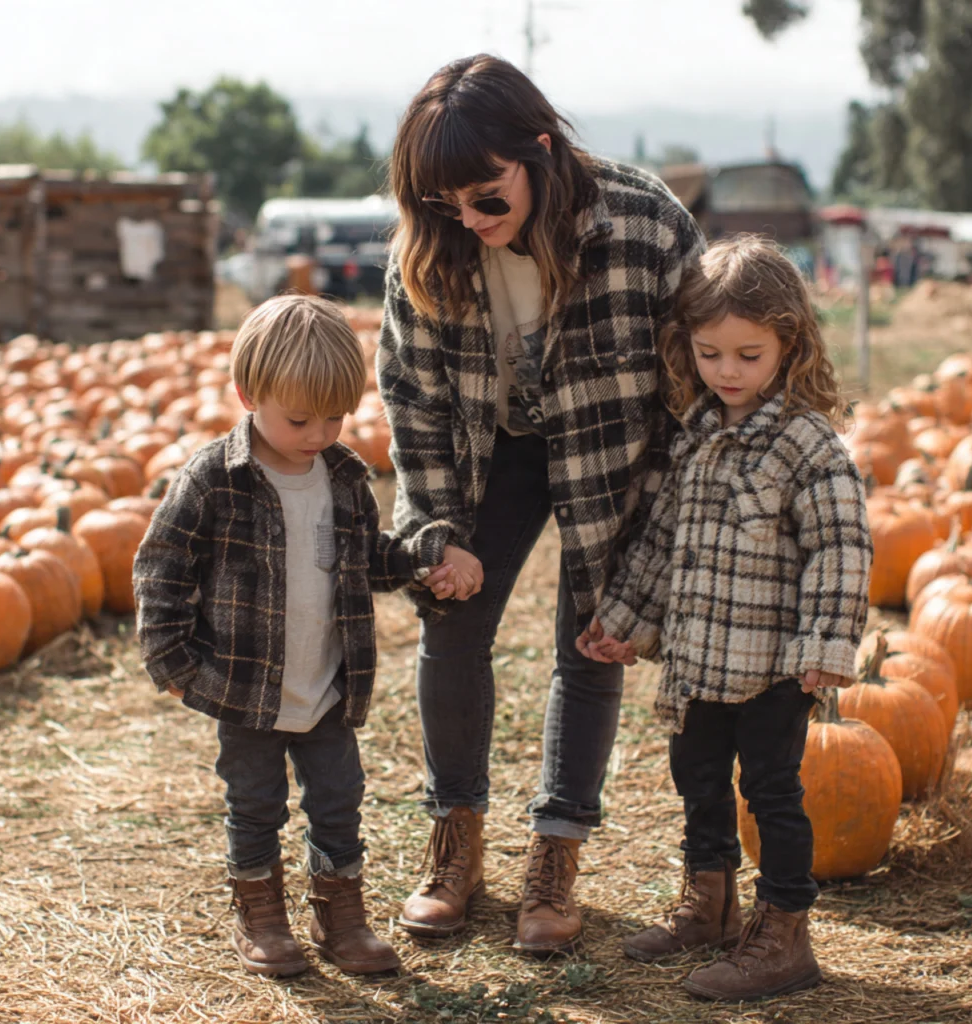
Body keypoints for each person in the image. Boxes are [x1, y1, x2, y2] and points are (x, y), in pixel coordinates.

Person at [378, 53, 704, 956]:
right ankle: (455, 841)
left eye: (487, 196)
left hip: (615, 450)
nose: (469, 220)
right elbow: (414, 404)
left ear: (542, 150)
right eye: (445, 202)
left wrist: (644, 564)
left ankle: (556, 857)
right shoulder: (430, 248)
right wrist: (436, 533)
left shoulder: (646, 225)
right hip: (492, 446)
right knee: (452, 619)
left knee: (592, 638)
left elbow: (690, 405)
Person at [579, 236, 872, 1000]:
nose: (728, 371)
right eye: (710, 354)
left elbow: (841, 548)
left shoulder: (810, 446)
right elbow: (662, 542)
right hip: (699, 660)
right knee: (698, 779)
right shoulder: (699, 435)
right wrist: (623, 621)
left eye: (748, 355)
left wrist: (825, 644)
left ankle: (783, 934)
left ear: (789, 344)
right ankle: (708, 905)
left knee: (771, 792)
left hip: (773, 666)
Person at [133, 294, 460, 979]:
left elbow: (369, 559)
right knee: (255, 806)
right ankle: (262, 916)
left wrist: (424, 555)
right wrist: (172, 662)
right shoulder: (213, 480)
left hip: (327, 687)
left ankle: (340, 917)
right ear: (248, 395)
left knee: (338, 802)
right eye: (300, 419)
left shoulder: (343, 477)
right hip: (245, 690)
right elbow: (161, 566)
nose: (319, 434)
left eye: (335, 417)